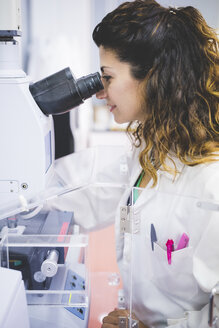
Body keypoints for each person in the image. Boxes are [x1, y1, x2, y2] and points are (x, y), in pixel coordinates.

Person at [49, 0, 219, 327]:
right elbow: (84, 193)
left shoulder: (210, 180)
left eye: (107, 78)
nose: (100, 93)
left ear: (153, 77)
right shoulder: (150, 153)